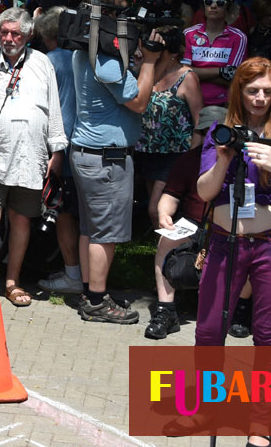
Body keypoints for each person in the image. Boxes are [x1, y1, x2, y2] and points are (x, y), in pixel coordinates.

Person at [195, 58, 271, 349]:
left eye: (267, 91)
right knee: (209, 332)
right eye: (252, 90)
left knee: (268, 335)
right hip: (225, 242)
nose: (260, 98)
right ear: (239, 91)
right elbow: (204, 192)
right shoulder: (222, 132)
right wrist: (222, 161)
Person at [0, 8, 67, 307]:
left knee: (21, 220)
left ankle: (12, 281)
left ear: (28, 35)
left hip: (30, 155)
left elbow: (54, 108)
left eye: (15, 34)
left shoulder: (42, 62)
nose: (9, 39)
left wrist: (57, 150)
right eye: (4, 32)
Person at [69, 24, 160, 324]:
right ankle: (97, 301)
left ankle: (89, 292)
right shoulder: (106, 63)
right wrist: (149, 61)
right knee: (104, 234)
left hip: (89, 155)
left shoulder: (84, 54)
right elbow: (139, 101)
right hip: (106, 160)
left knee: (90, 229)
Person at [147, 106, 227, 339]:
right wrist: (164, 214)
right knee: (165, 242)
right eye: (205, 133)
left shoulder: (239, 160)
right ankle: (166, 310)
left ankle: (239, 312)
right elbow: (170, 197)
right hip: (194, 223)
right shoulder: (190, 159)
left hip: (228, 226)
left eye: (216, 132)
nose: (210, 138)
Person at [135, 25, 203, 230]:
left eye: (159, 49)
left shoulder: (187, 77)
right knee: (154, 209)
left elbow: (199, 121)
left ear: (173, 53)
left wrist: (192, 158)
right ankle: (162, 251)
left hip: (175, 154)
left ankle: (166, 255)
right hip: (147, 150)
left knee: (156, 209)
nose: (152, 52)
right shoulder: (148, 72)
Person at [181, 0, 248, 106]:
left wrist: (196, 72)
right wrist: (221, 71)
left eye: (220, 3)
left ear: (227, 7)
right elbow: (182, 73)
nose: (213, 6)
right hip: (188, 101)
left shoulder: (239, 37)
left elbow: (233, 78)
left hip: (223, 104)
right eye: (209, 2)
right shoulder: (188, 34)